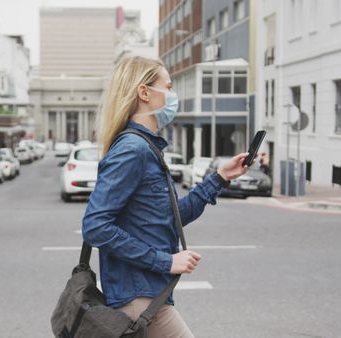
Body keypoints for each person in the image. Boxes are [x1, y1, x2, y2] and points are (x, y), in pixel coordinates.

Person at [81, 56, 251, 337]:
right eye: (168, 87)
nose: (173, 96)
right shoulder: (133, 149)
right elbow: (95, 226)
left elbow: (169, 218)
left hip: (147, 295)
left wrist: (220, 177)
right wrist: (167, 261)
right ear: (144, 93)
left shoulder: (146, 148)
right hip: (139, 298)